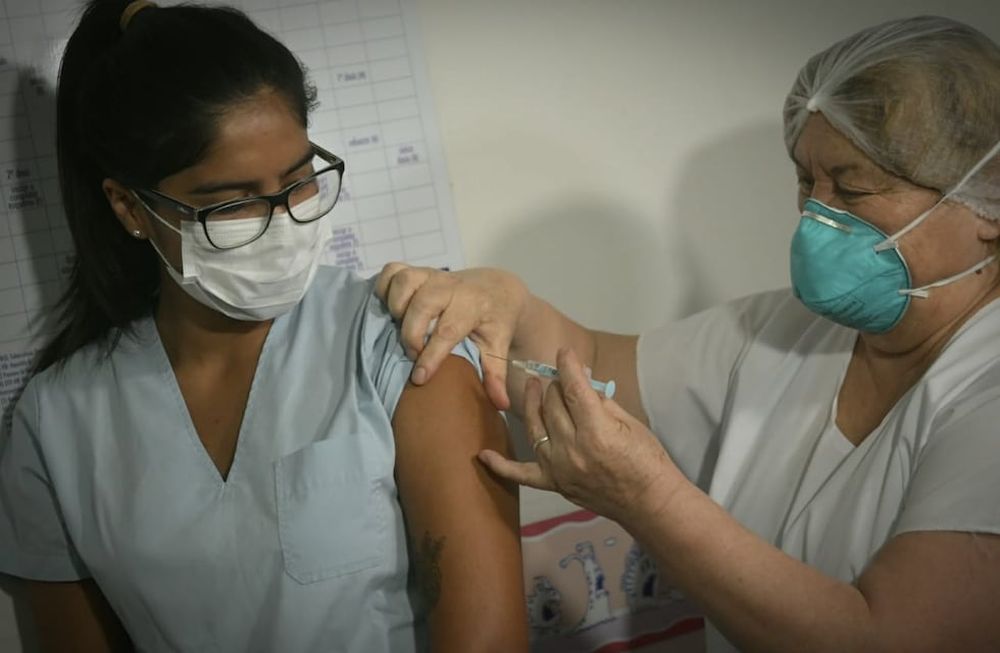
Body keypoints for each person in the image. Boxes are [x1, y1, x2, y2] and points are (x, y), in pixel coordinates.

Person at [376, 15, 1000, 653]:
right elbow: (592, 361)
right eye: (805, 182)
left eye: (853, 188)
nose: (817, 215)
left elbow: (886, 639)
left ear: (987, 201)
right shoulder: (788, 333)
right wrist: (513, 305)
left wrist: (644, 497)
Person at [0, 1, 528, 651]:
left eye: (300, 181)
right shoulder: (57, 422)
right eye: (232, 204)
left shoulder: (404, 343)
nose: (282, 223)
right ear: (131, 208)